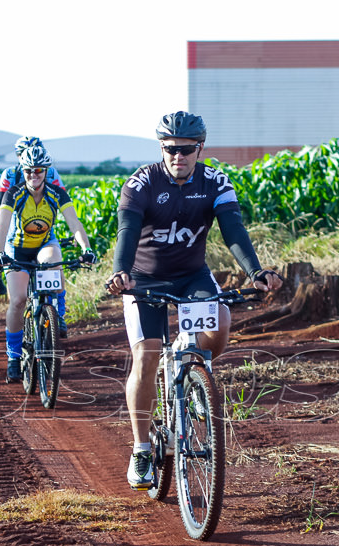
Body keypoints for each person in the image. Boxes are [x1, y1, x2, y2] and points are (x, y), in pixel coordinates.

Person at [105, 111, 282, 490]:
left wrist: (255, 271)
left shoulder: (215, 181)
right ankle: (140, 448)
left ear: (199, 149)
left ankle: (194, 380)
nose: (178, 156)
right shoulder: (142, 183)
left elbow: (233, 227)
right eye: (170, 149)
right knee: (148, 353)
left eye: (186, 150)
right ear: (161, 149)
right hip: (146, 279)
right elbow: (127, 229)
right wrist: (121, 270)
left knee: (219, 322)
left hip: (191, 276)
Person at [0, 144, 95, 382]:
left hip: (43, 243)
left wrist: (86, 248)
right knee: (18, 300)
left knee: (53, 262)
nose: (33, 174)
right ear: (23, 170)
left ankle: (57, 315)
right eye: (28, 170)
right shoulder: (15, 193)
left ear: (46, 171)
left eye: (38, 170)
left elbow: (74, 222)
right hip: (17, 248)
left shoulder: (56, 193)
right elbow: (3, 224)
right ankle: (13, 356)